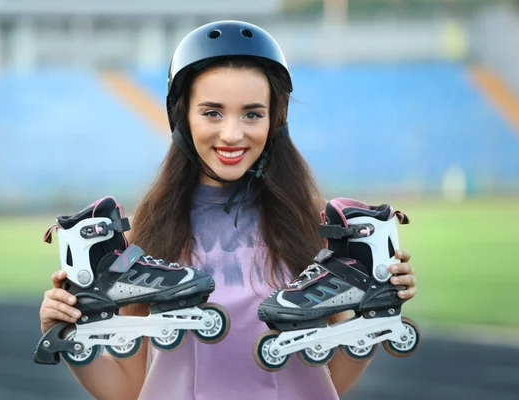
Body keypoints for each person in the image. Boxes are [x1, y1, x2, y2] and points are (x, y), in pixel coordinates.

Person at [38, 20, 418, 400]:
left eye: (252, 114)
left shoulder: (319, 226)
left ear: (275, 119)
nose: (233, 134)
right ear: (182, 116)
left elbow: (325, 380)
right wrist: (68, 332)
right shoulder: (141, 239)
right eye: (212, 113)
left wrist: (377, 314)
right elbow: (128, 389)